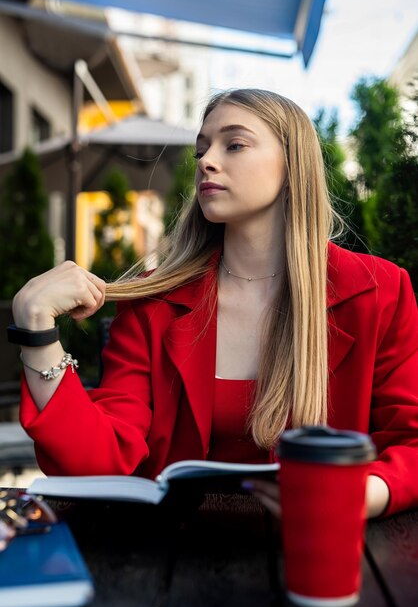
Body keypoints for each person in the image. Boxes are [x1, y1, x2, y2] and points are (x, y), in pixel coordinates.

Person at [9, 89, 418, 519]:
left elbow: (411, 442)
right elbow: (96, 463)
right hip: (171, 561)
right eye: (201, 149)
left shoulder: (379, 293)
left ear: (292, 165)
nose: (206, 160)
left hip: (327, 554)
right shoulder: (154, 304)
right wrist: (38, 336)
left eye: (234, 144)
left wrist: (359, 495)